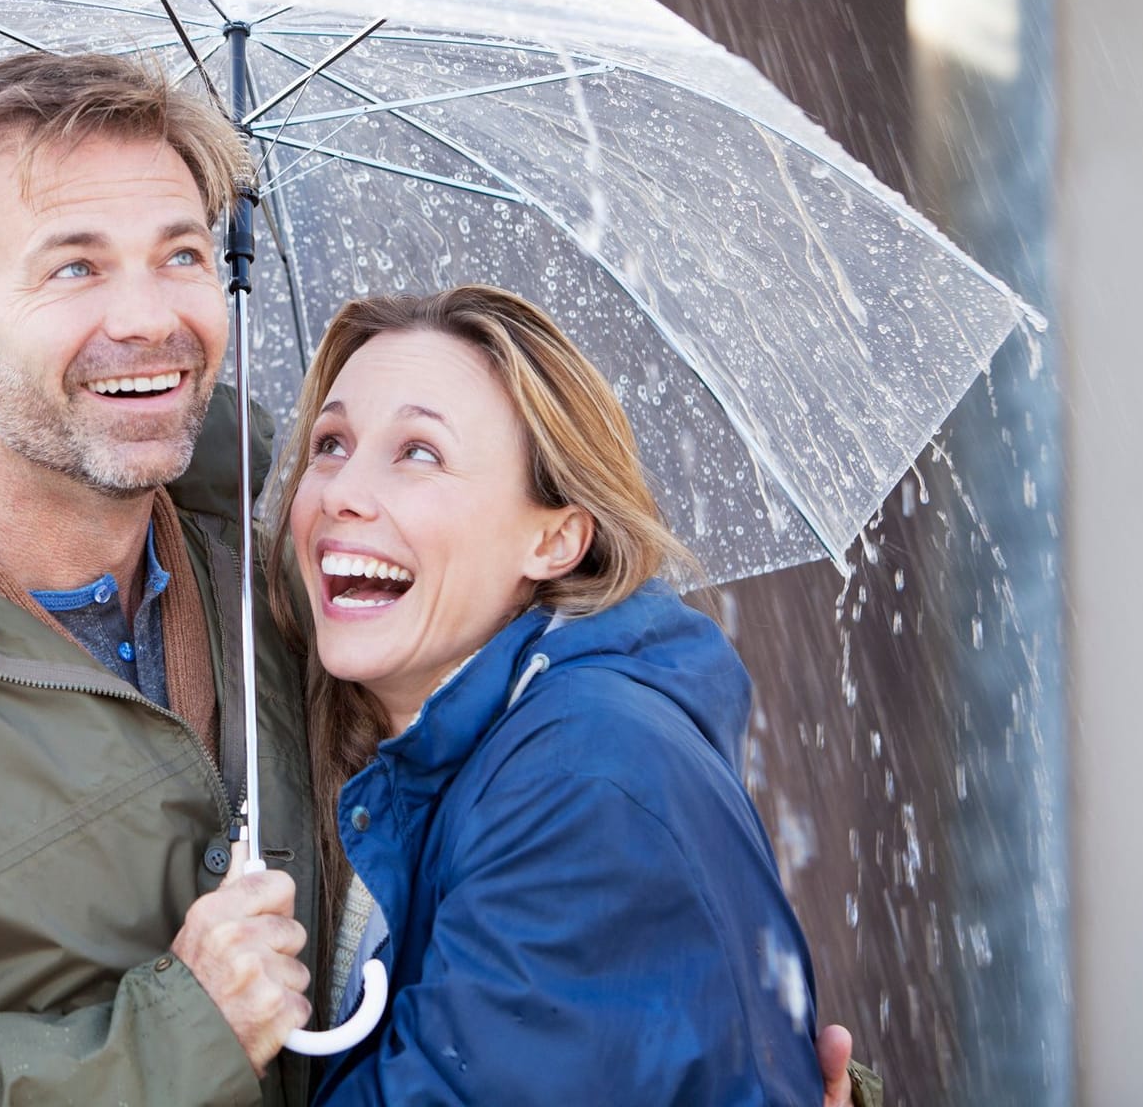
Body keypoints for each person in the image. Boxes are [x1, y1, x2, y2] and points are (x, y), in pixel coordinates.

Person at [0, 52, 870, 1106]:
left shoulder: (289, 602)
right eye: (74, 265)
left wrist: (725, 1062)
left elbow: (516, 944)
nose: (150, 316)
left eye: (181, 254)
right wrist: (174, 1032)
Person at [266, 285, 857, 1104]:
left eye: (420, 453)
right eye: (330, 444)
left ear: (554, 538)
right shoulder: (437, 755)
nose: (339, 493)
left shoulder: (585, 773)